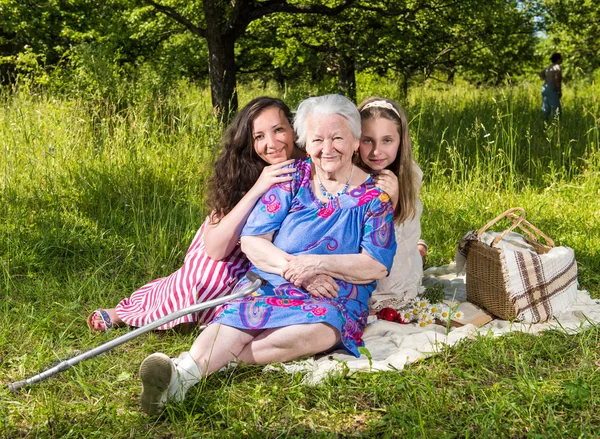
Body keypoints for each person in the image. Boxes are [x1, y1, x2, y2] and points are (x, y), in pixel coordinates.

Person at [138, 94, 397, 415]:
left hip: (338, 296)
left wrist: (316, 264)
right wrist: (296, 270)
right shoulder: (293, 178)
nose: (326, 148)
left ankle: (203, 367)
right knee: (239, 317)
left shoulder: (375, 197)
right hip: (275, 281)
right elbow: (253, 240)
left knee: (320, 330)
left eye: (337, 138)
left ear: (356, 141)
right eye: (317, 139)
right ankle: (181, 377)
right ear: (306, 141)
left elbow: (375, 264)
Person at [87, 97, 305, 332]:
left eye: (278, 130)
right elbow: (216, 248)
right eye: (258, 137)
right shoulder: (243, 169)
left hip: (278, 251)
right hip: (230, 249)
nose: (271, 144)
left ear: (292, 129)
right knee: (205, 281)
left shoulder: (313, 160)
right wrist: (258, 188)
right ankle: (124, 313)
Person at [356, 97, 426, 311]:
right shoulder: (349, 172)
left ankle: (419, 251)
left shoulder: (408, 174)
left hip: (393, 253)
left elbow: (402, 229)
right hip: (356, 257)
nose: (376, 151)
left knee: (410, 252)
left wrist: (394, 199)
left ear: (400, 141)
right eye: (367, 140)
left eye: (387, 140)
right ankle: (421, 249)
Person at [539, 52, 563, 119]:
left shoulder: (549, 67)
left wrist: (546, 78)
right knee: (557, 109)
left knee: (546, 108)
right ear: (558, 59)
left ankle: (544, 123)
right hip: (552, 88)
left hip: (544, 88)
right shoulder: (557, 67)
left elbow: (541, 73)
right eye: (561, 57)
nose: (562, 59)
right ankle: (557, 125)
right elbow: (557, 78)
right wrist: (559, 90)